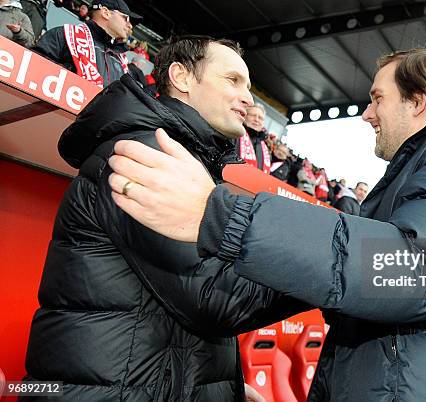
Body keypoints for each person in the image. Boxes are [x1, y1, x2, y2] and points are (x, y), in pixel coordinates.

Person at [108, 48, 426, 401]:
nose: (367, 114)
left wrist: (225, 216)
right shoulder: (421, 174)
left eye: (378, 98)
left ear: (418, 100)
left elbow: (416, 270)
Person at [24, 35, 308, 401]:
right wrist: (322, 264)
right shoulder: (142, 154)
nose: (248, 99)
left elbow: (177, 312)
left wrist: (227, 387)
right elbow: (217, 298)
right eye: (232, 80)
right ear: (181, 77)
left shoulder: (179, 157)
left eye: (248, 86)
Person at [33, 0, 141, 87]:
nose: (130, 25)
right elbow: (33, 70)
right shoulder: (65, 35)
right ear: (105, 13)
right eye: (126, 18)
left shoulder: (120, 59)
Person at [238, 103, 271, 173]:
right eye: (253, 115)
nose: (256, 120)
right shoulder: (235, 134)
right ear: (245, 116)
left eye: (260, 118)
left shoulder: (265, 147)